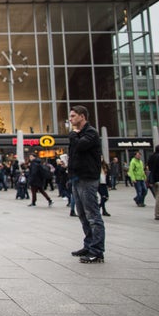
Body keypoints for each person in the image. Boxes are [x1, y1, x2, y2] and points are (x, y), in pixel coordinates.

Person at [67, 105, 105, 264]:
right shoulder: (78, 134)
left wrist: (73, 136)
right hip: (77, 177)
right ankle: (89, 245)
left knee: (92, 215)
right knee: (82, 214)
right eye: (70, 116)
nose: (70, 119)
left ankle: (97, 251)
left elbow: (81, 145)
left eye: (73, 116)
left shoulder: (91, 133)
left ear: (82, 116)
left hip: (88, 177)